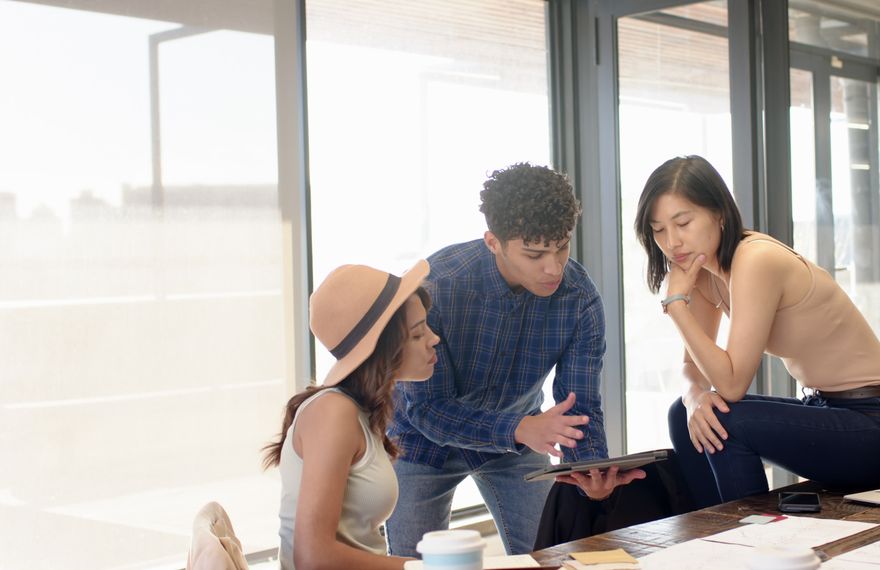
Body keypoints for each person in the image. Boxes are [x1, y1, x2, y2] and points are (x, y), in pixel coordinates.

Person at [633, 155, 880, 508]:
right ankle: (713, 535)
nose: (672, 242)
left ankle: (757, 539)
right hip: (825, 409)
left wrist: (675, 304)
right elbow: (691, 368)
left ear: (719, 213)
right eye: (659, 229)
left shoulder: (756, 259)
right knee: (684, 414)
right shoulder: (705, 274)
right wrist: (694, 396)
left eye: (683, 223)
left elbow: (732, 384)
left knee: (727, 419)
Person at [387, 162, 644, 557]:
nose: (553, 267)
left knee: (555, 556)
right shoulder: (436, 286)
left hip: (518, 440)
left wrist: (589, 470)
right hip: (424, 442)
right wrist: (520, 428)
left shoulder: (579, 298)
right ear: (493, 242)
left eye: (562, 247)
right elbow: (425, 409)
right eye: (535, 254)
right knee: (416, 564)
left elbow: (580, 405)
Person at [263, 261, 439, 570]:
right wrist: (426, 568)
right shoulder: (334, 413)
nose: (434, 338)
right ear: (383, 347)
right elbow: (312, 558)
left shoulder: (360, 410)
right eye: (416, 334)